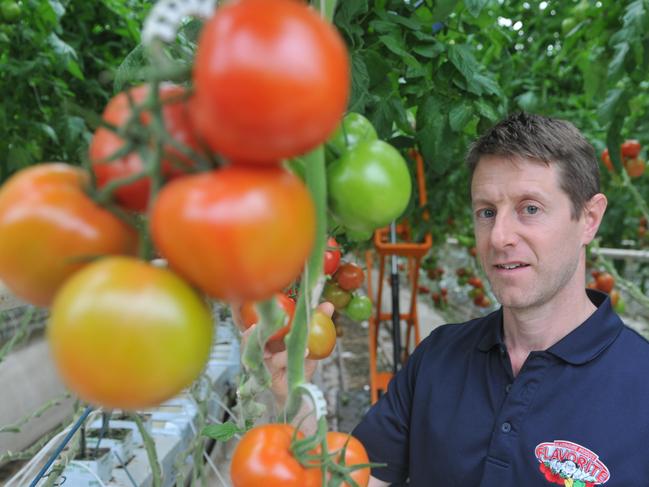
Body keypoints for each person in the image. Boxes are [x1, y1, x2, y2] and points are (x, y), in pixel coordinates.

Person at [239, 112, 649, 486]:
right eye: (486, 212)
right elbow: (358, 481)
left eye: (529, 208)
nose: (501, 237)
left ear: (589, 220)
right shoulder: (438, 356)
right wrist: (293, 399)